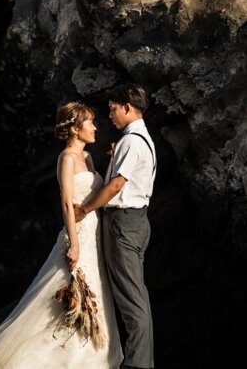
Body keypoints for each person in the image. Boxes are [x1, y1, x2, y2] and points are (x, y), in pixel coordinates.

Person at [0, 102, 123, 369]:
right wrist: (74, 243)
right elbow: (66, 203)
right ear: (74, 128)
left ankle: (92, 355)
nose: (95, 127)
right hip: (79, 235)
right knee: (65, 298)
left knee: (95, 294)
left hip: (96, 233)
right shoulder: (66, 158)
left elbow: (95, 193)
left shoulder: (87, 157)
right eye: (90, 122)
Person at [75, 84, 156, 369]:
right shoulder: (141, 138)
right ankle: (141, 361)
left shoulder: (132, 141)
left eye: (112, 110)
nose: (109, 116)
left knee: (131, 299)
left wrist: (85, 208)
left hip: (124, 223)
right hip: (136, 220)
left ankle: (137, 364)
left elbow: (116, 185)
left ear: (127, 107)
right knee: (136, 296)